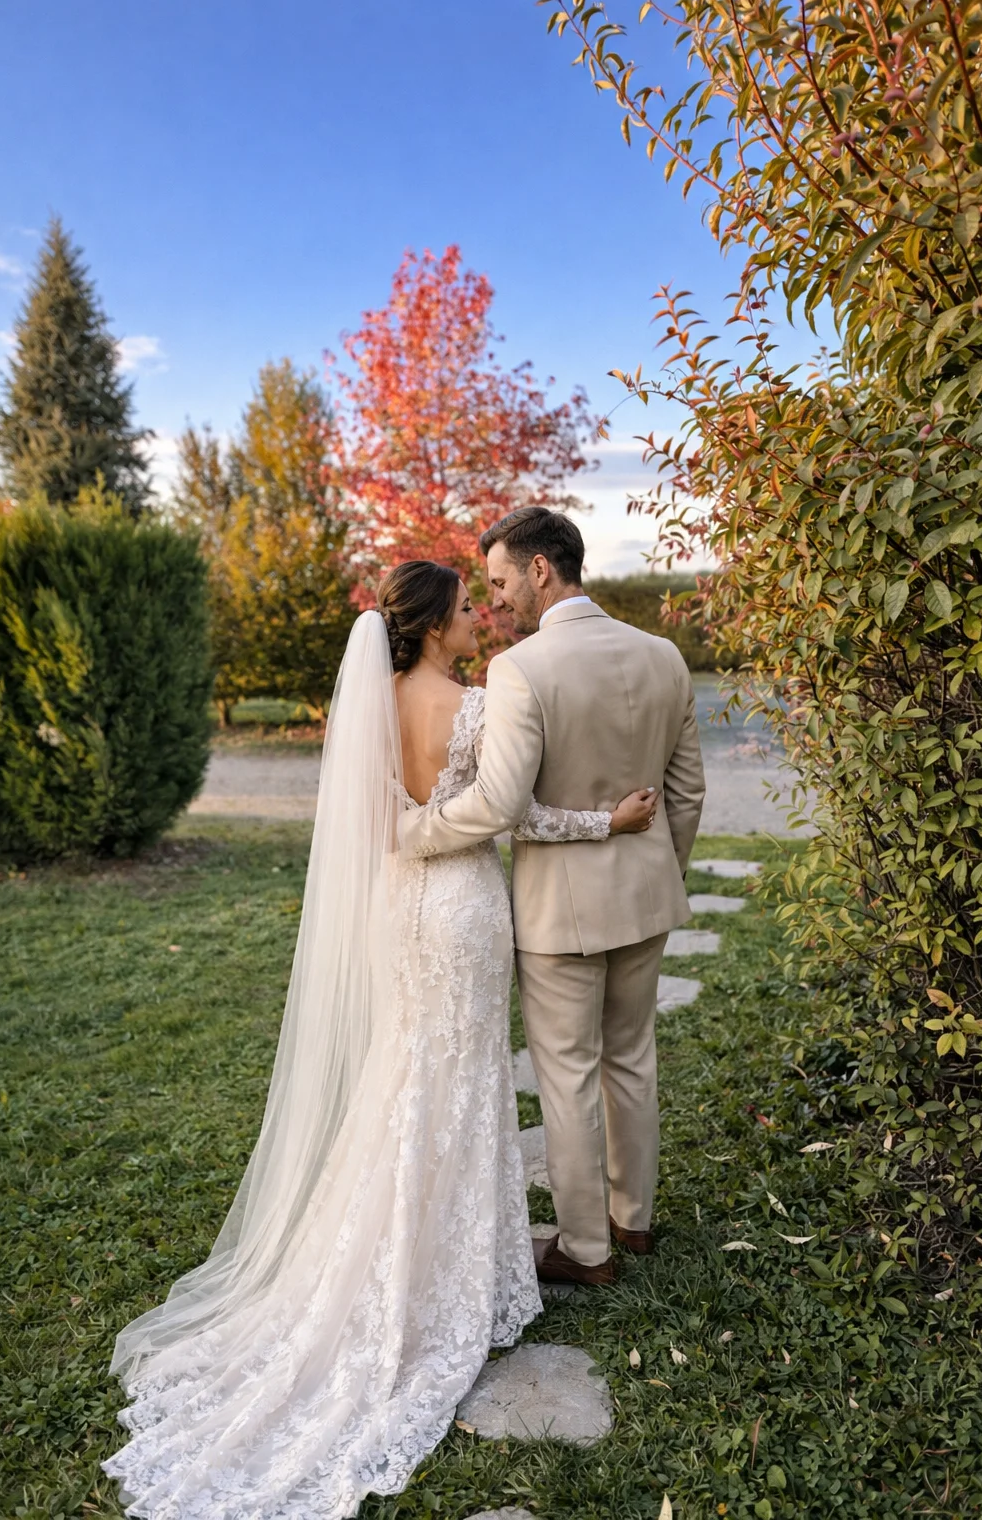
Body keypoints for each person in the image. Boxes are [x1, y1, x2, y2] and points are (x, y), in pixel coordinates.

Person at [101, 558, 657, 1519]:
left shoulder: (368, 705)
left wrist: (414, 833)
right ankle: (445, 1269)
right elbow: (512, 814)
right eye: (465, 610)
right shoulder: (478, 703)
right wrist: (606, 819)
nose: (480, 620)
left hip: (404, 911)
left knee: (410, 1071)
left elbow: (377, 828)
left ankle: (395, 1247)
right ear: (436, 624)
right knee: (466, 1076)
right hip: (466, 907)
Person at [401, 508, 706, 1287]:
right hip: (646, 895)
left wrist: (416, 832)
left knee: (567, 1073)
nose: (496, 600)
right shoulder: (665, 656)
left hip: (556, 914)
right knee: (632, 1058)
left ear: (542, 570)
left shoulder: (521, 670)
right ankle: (632, 1222)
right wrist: (657, 870)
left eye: (501, 581)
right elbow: (687, 793)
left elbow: (501, 802)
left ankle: (584, 1249)